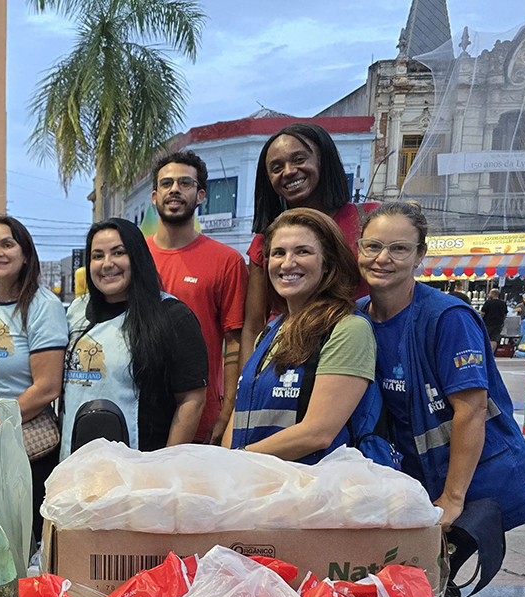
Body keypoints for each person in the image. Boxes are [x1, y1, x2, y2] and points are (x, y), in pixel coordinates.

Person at [359, 201, 525, 531]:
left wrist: (453, 498)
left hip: (476, 484)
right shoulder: (357, 319)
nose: (382, 258)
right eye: (372, 246)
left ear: (419, 255)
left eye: (399, 248)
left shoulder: (447, 318)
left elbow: (471, 410)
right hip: (418, 482)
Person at [225, 208, 383, 464]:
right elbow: (240, 414)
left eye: (303, 251)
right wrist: (225, 464)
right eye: (278, 253)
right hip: (257, 485)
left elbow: (318, 433)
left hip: (313, 492)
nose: (287, 263)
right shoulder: (270, 331)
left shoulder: (348, 329)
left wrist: (233, 462)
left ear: (328, 263)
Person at [61, 218, 208, 458]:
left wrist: (165, 465)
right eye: (97, 256)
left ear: (138, 257)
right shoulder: (75, 312)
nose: (107, 264)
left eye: (119, 253)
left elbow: (192, 400)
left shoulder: (173, 316)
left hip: (142, 469)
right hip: (75, 464)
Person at [0, 215, 67, 540]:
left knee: (21, 544)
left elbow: (47, 387)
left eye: (7, 244)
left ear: (25, 254)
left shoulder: (43, 305)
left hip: (23, 448)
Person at [241, 123, 377, 369]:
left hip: (357, 357)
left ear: (323, 159)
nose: (289, 171)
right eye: (276, 167)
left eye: (299, 159)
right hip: (286, 363)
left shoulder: (368, 221)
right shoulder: (263, 242)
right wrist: (245, 388)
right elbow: (253, 325)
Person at [147, 151, 248, 444]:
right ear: (154, 196)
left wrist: (228, 408)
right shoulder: (133, 258)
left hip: (202, 412)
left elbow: (236, 340)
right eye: (166, 184)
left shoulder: (227, 261)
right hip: (140, 408)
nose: (174, 189)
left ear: (201, 194)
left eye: (185, 183)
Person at [481, 288, 508, 352]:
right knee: (494, 339)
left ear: (492, 294)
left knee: (487, 338)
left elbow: (482, 314)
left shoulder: (488, 303)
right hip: (498, 323)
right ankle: (492, 352)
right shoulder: (503, 303)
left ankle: (486, 352)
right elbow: (505, 314)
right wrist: (502, 320)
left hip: (488, 323)